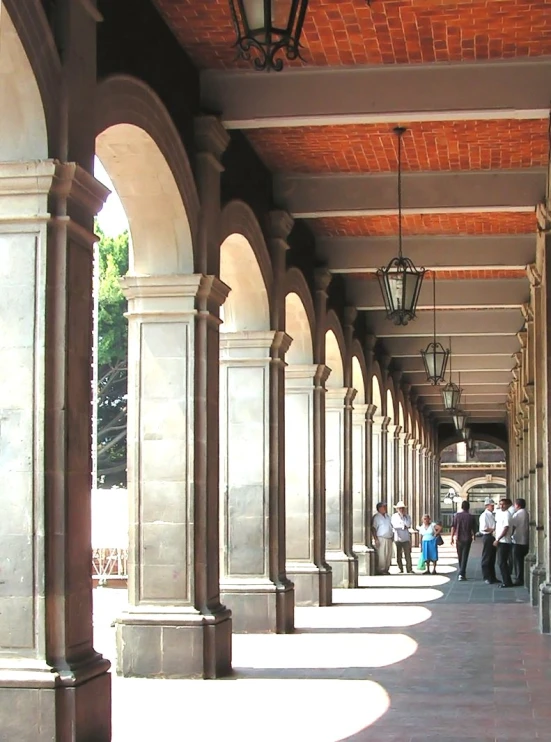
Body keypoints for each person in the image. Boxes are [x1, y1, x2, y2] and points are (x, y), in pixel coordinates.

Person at [450, 500, 477, 581]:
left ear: (461, 507)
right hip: (467, 538)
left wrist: (451, 537)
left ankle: (461, 571)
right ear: (468, 507)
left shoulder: (456, 516)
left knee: (460, 555)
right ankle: (462, 573)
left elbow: (453, 527)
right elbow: (474, 528)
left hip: (458, 538)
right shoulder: (471, 517)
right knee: (465, 555)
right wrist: (474, 536)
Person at [494, 497, 514, 588]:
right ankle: (506, 580)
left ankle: (507, 582)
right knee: (501, 562)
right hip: (501, 541)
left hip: (504, 541)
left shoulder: (507, 514)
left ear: (508, 505)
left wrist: (498, 539)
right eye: (500, 504)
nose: (501, 505)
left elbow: (506, 528)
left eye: (503, 504)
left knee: (502, 562)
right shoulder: (500, 513)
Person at [371, 502, 394, 575]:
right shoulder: (376, 517)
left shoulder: (388, 516)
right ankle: (381, 569)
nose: (385, 508)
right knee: (382, 555)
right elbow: (373, 528)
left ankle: (386, 569)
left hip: (389, 537)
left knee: (388, 554)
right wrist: (376, 539)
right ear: (380, 508)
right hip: (381, 537)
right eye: (384, 507)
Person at [391, 500, 413, 574]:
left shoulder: (407, 516)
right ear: (397, 509)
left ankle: (409, 568)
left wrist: (403, 524)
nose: (401, 510)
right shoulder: (394, 516)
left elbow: (409, 524)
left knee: (408, 554)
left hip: (406, 538)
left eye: (403, 508)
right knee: (398, 555)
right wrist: (403, 526)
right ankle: (400, 568)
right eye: (400, 508)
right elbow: (394, 525)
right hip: (397, 538)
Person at [511, 497, 530, 586]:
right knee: (521, 560)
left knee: (517, 561)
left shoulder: (517, 514)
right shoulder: (526, 513)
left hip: (517, 540)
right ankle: (521, 576)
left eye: (515, 504)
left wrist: (510, 535)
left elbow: (513, 526)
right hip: (525, 539)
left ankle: (519, 578)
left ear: (517, 505)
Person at [479, 497, 497, 584]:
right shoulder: (484, 515)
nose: (493, 507)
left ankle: (492, 576)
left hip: (492, 536)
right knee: (487, 557)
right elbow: (484, 528)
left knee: (492, 557)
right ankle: (486, 576)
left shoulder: (491, 514)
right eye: (491, 505)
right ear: (487, 506)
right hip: (488, 537)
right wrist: (494, 529)